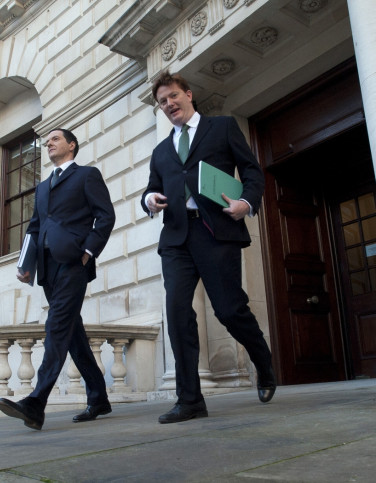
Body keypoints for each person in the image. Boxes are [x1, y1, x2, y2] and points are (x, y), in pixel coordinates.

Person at [142, 71, 276, 424]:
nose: (169, 104)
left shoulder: (222, 127)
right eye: (162, 102)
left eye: (173, 96)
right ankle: (189, 400)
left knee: (229, 310)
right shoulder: (160, 150)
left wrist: (246, 203)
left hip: (215, 231)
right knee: (177, 313)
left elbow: (252, 172)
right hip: (176, 239)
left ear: (188, 94)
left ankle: (263, 360)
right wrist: (149, 199)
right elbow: (152, 188)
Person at [0, 128, 116, 430]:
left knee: (56, 326)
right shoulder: (42, 187)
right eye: (46, 141)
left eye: (55, 139)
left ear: (71, 145)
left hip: (74, 262)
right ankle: (99, 396)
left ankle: (36, 401)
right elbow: (34, 227)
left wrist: (88, 251)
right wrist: (26, 263)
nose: (48, 143)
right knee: (72, 334)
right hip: (48, 269)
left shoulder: (87, 175)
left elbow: (106, 216)